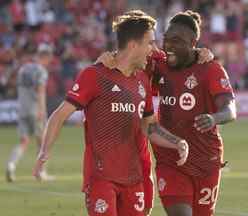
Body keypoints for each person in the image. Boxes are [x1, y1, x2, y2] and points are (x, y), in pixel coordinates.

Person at [33, 11, 189, 216]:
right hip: (101, 178)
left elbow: (150, 126)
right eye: (150, 43)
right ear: (133, 45)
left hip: (134, 179)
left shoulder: (142, 80)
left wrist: (177, 142)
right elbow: (60, 114)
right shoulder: (95, 74)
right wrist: (44, 151)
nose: (154, 50)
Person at [97, 10, 237, 216]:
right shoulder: (158, 64)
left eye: (177, 41)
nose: (168, 46)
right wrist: (109, 58)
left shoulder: (210, 69)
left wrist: (214, 118)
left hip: (206, 162)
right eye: (166, 40)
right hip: (170, 160)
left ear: (193, 43)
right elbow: (130, 54)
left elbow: (230, 109)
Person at [6, 43, 54, 182]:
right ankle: (40, 172)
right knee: (42, 142)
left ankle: (11, 165)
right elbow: (40, 91)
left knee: (23, 141)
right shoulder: (41, 71)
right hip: (35, 110)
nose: (50, 61)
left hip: (22, 109)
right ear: (45, 56)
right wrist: (42, 111)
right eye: (49, 57)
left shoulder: (23, 69)